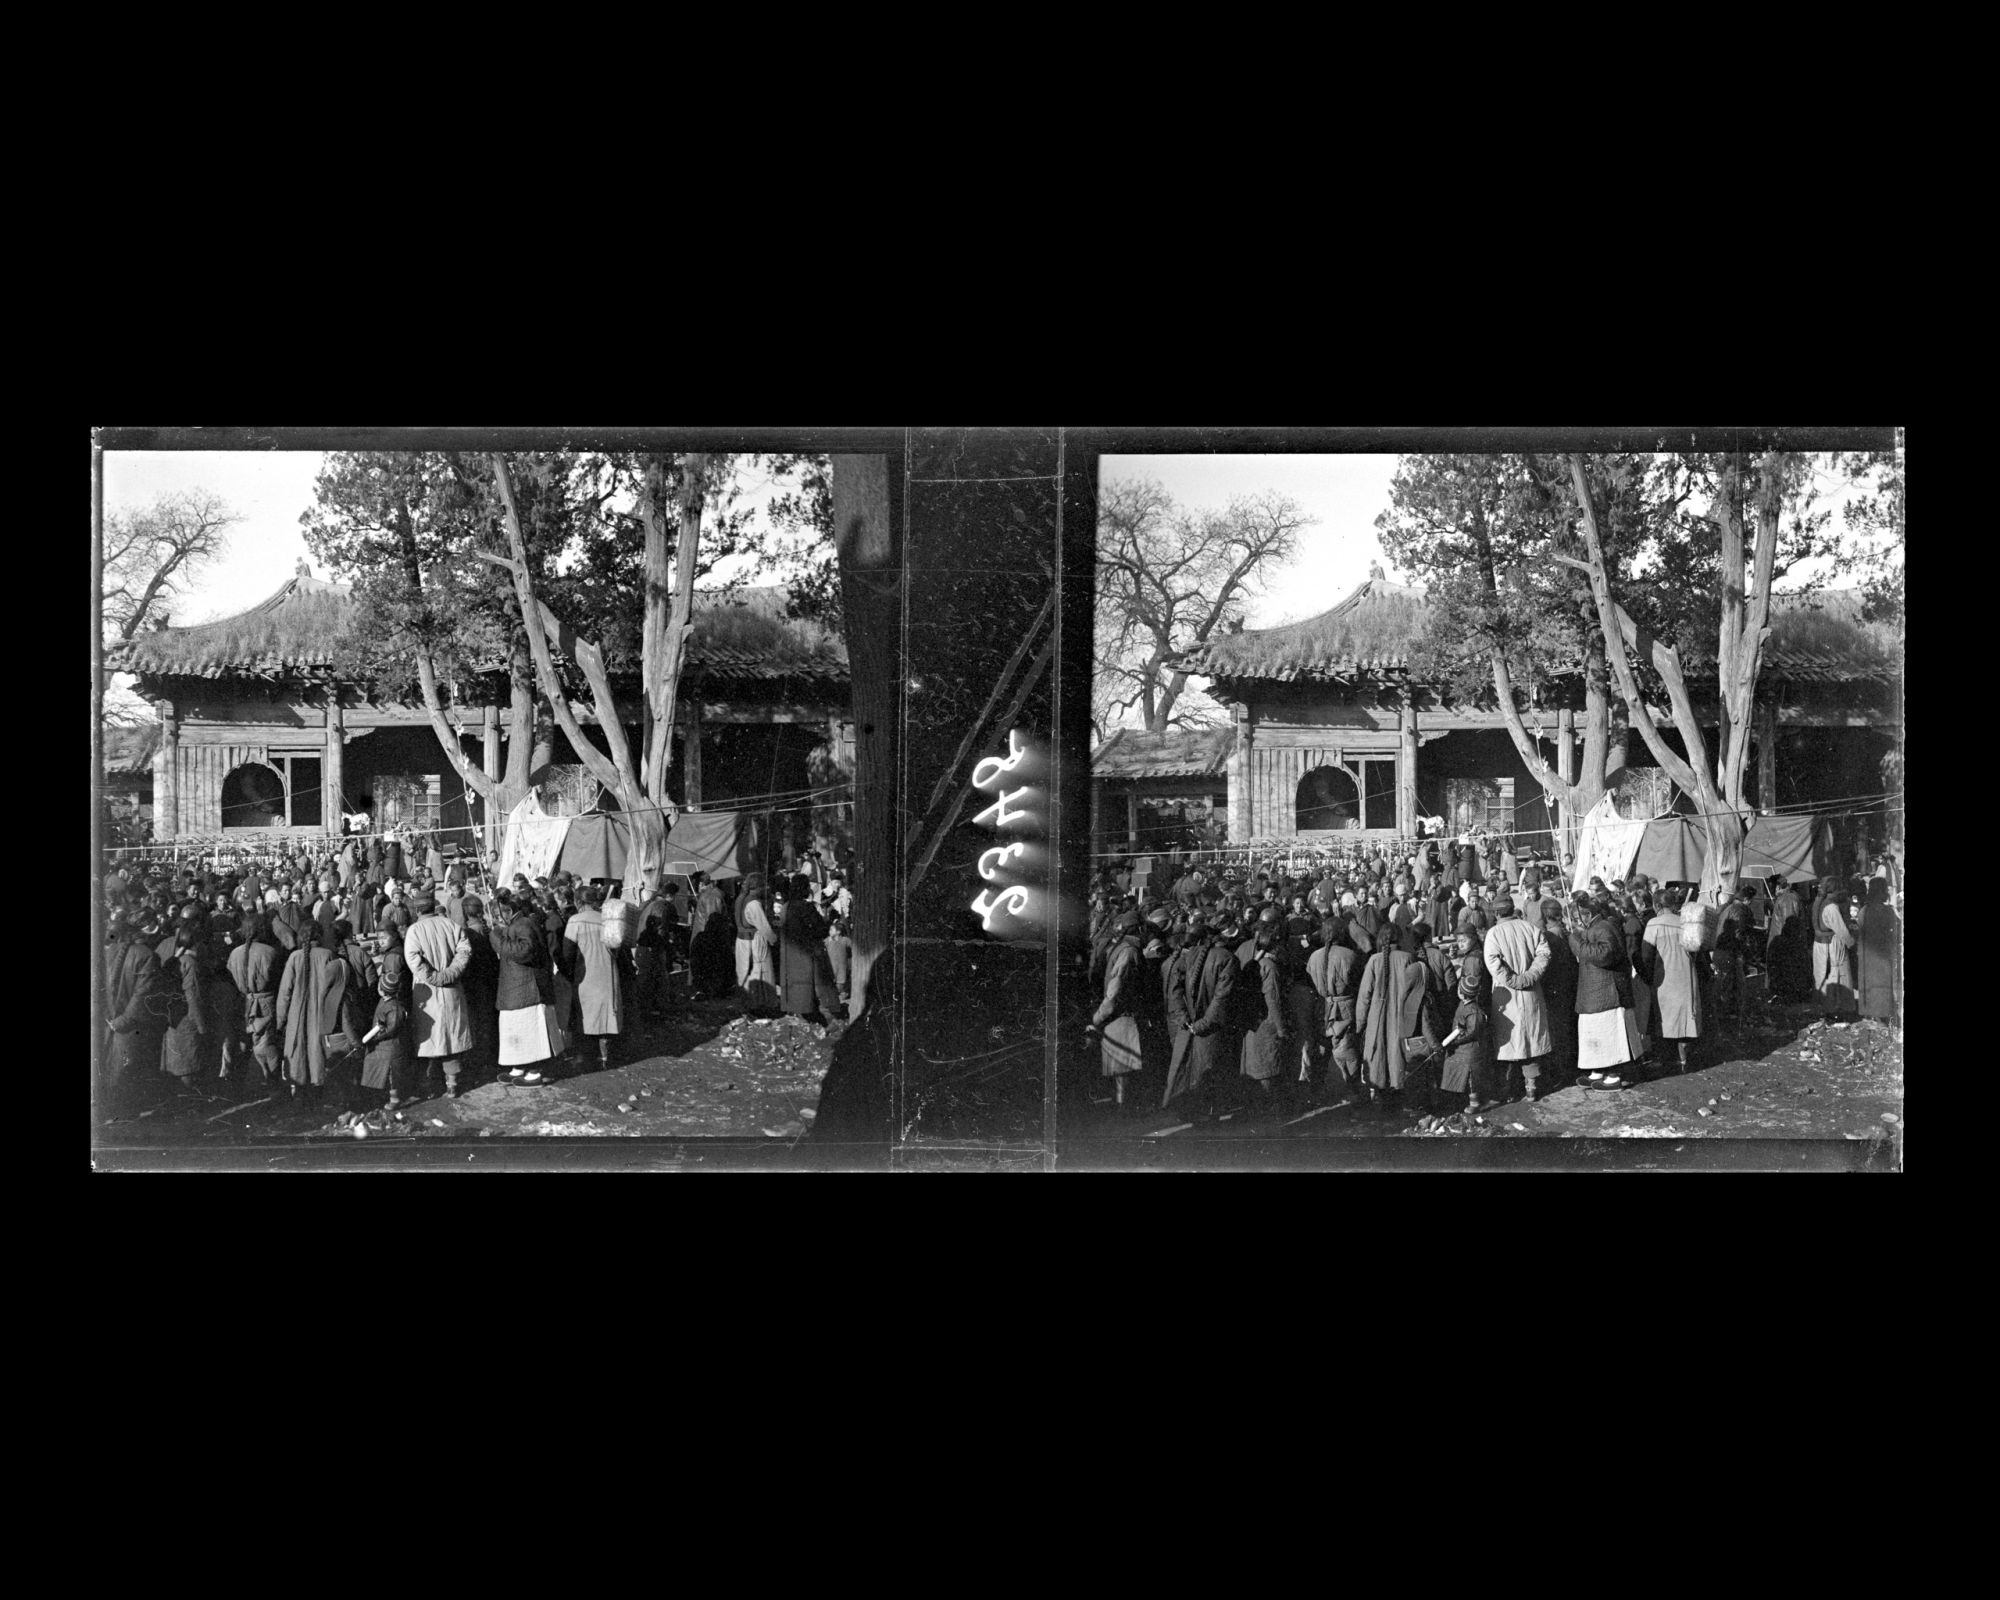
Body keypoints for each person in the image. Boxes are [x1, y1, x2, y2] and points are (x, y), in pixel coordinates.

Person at [275, 923, 366, 1107]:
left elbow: (284, 993)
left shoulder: (294, 957)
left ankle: (300, 1093)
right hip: (323, 1012)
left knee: (298, 1048)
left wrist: (280, 1020)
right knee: (317, 1050)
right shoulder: (328, 955)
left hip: (296, 1013)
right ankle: (317, 1091)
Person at [1357, 922, 1439, 1110]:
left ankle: (1379, 1094)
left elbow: (1364, 997)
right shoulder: (1408, 958)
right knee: (1398, 1054)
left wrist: (1360, 1024)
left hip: (1376, 1019)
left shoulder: (1373, 961)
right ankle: (1398, 1092)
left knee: (1379, 1053)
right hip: (1403, 1016)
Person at [403, 890, 473, 1098]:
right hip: (452, 989)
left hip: (428, 992)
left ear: (416, 910)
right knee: (451, 1039)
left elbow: (413, 958)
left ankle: (430, 1084)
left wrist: (433, 977)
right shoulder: (451, 924)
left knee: (430, 1039)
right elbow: (464, 951)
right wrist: (451, 973)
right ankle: (452, 1084)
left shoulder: (414, 930)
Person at [1484, 894, 1553, 1103]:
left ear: (1496, 913)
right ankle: (1531, 1088)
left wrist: (1512, 981)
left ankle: (1508, 1089)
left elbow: (1493, 962)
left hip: (1506, 995)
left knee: (1509, 1043)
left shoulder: (1494, 934)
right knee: (1531, 1043)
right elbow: (1544, 954)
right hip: (1531, 991)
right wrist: (1530, 976)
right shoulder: (1530, 928)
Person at [491, 889, 560, 1086]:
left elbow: (525, 951)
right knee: (517, 1030)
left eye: (499, 914)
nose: (499, 918)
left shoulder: (523, 924)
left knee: (529, 1031)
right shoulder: (520, 923)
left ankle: (535, 1071)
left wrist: (496, 937)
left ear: (508, 911)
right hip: (517, 987)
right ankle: (520, 1066)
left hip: (526, 988)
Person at [1572, 894, 1642, 1088]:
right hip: (1596, 992)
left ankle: (1613, 1076)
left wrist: (1576, 941)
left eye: (1578, 917)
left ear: (1587, 915)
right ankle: (1598, 1071)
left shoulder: (1603, 927)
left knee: (1608, 1034)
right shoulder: (1598, 927)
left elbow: (1605, 955)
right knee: (1596, 1033)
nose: (1577, 921)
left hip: (1607, 991)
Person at [1086, 910, 1153, 1111]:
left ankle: (1123, 1109)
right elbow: (1116, 988)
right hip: (1122, 1018)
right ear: (1139, 929)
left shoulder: (1119, 948)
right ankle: (1125, 1113)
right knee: (1124, 1072)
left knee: (1121, 1073)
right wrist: (1099, 1017)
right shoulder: (1130, 952)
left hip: (1116, 1017)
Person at [1179, 919, 1242, 1122]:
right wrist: (1203, 1025)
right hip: (1212, 1028)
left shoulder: (1191, 956)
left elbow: (1179, 991)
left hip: (1196, 1027)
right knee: (1212, 1075)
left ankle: (1199, 1115)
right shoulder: (1227, 958)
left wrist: (1189, 1022)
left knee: (1199, 1074)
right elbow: (1221, 999)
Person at [562, 884, 626, 1072]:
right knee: (607, 1015)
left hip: (586, 975)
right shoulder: (606, 920)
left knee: (586, 1016)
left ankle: (586, 1058)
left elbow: (567, 953)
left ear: (578, 901)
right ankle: (606, 1057)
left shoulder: (575, 921)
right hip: (608, 974)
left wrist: (568, 974)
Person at [1642, 885, 1704, 1074]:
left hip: (1665, 977)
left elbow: (1646, 956)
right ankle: (1684, 1058)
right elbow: (1696, 951)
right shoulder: (1685, 923)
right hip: (1686, 975)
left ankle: (1667, 1059)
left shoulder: (1653, 924)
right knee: (1686, 1016)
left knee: (1665, 1017)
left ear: (1656, 905)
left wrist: (1647, 977)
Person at [1237, 924, 1293, 1114]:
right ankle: (1270, 1110)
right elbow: (1273, 999)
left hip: (1253, 1023)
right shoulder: (1271, 967)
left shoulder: (1255, 963)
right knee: (1269, 1067)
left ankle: (1256, 1107)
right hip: (1268, 1024)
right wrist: (1281, 1029)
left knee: (1256, 1067)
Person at [1306, 917, 1363, 1098]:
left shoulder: (1313, 957)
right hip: (1344, 1008)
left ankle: (1317, 1090)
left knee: (1322, 1049)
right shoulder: (1350, 955)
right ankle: (1353, 1091)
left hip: (1321, 1007)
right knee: (1346, 1050)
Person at [226, 913, 285, 1088]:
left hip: (243, 1003)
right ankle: (273, 1085)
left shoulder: (234, 953)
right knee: (266, 1045)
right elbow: (277, 980)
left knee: (242, 1044)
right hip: (265, 1003)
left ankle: (237, 1084)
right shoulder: (270, 952)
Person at [776, 874, 841, 1022]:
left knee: (795, 983)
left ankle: (797, 1011)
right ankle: (822, 1014)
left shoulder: (786, 907)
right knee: (816, 983)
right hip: (806, 950)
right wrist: (830, 919)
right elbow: (820, 929)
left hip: (790, 951)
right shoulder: (805, 907)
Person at [158, 924, 212, 1091]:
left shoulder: (174, 960)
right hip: (188, 1020)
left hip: (173, 1019)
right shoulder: (191, 964)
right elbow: (193, 997)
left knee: (177, 1064)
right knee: (188, 1065)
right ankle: (190, 1103)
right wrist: (202, 1027)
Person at [1539, 899, 1579, 1087]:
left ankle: (1561, 1071)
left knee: (1558, 1033)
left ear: (1545, 916)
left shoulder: (1547, 937)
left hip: (1554, 990)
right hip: (1570, 988)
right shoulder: (1568, 933)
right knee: (1569, 1029)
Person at [1856, 878, 1900, 1025]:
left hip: (1867, 955)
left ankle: (1872, 1015)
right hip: (1883, 955)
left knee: (1869, 985)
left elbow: (1860, 934)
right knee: (1883, 986)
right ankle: (1883, 1016)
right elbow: (1895, 934)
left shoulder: (1864, 911)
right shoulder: (1888, 911)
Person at [734, 873, 779, 1014]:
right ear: (757, 887)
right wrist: (774, 940)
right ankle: (760, 1005)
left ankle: (749, 1003)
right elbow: (764, 926)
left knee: (744, 972)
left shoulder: (740, 899)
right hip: (754, 941)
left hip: (742, 940)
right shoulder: (753, 903)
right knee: (759, 972)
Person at [1815, 885, 1859, 1021]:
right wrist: (1851, 943)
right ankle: (1841, 1009)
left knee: (1829, 976)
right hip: (1834, 944)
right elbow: (1841, 930)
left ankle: (1831, 1008)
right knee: (1839, 974)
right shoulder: (1831, 907)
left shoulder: (1819, 903)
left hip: (1823, 944)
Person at [824, 913, 853, 1013]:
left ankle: (839, 1004)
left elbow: (853, 947)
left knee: (840, 986)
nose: (829, 932)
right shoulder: (827, 941)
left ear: (839, 932)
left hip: (841, 968)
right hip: (831, 968)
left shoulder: (845, 940)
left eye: (831, 930)